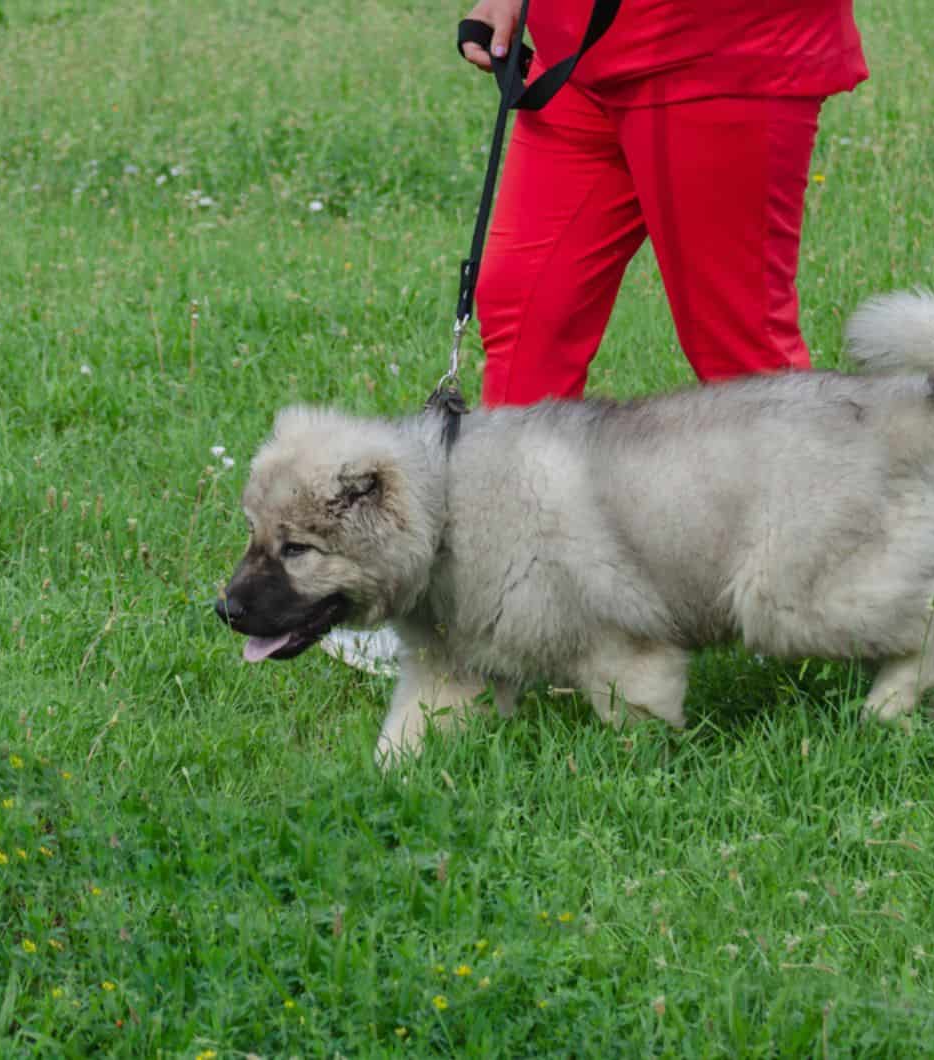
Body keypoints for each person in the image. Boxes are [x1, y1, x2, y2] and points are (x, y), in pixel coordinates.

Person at [322, 0, 867, 674]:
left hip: (716, 50)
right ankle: (496, 611)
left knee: (736, 344)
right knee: (524, 304)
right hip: (584, 51)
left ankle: (833, 590)